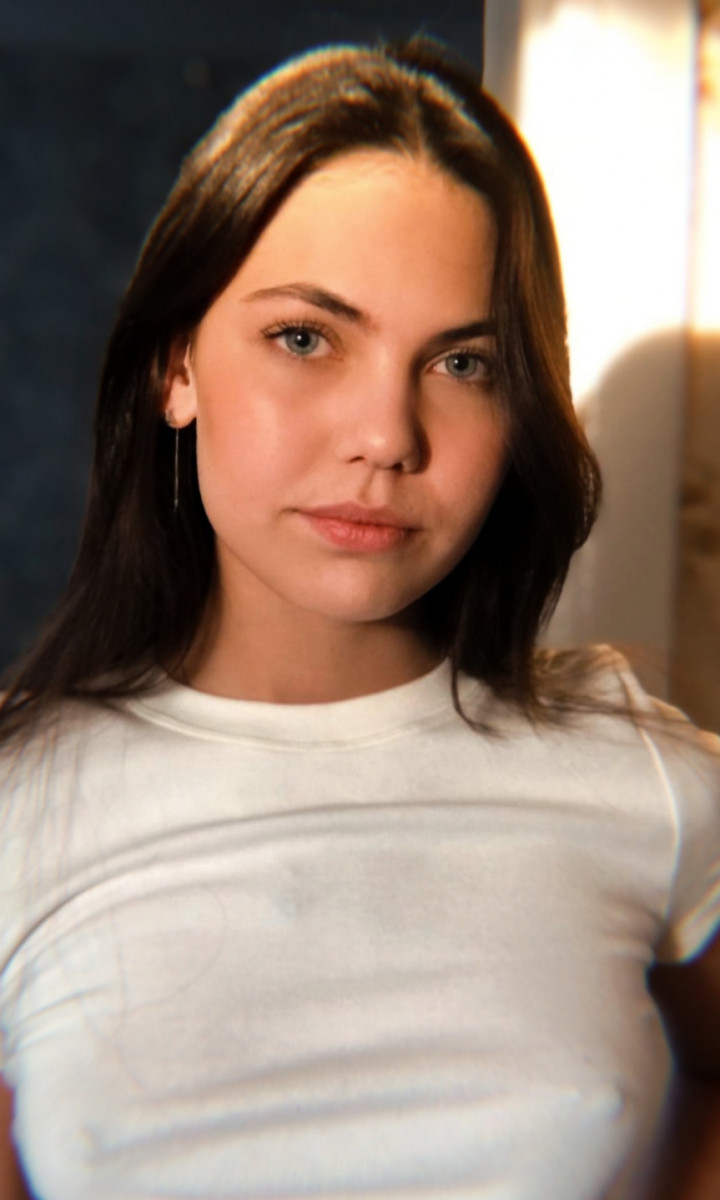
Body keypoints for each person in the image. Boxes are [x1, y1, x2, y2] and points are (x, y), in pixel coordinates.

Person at [0, 36, 719, 1200]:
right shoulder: (22, 801)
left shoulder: (635, 772)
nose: (387, 434)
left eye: (464, 364)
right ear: (177, 368)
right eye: (306, 338)